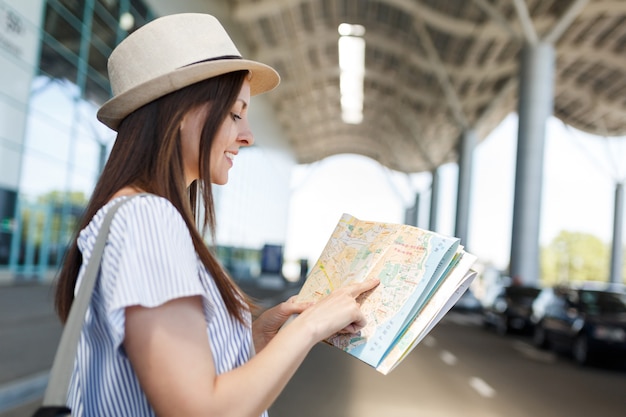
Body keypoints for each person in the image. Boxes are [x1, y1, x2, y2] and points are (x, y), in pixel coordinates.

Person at [54, 13, 379, 417]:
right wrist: (312, 328)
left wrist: (259, 338)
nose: (248, 136)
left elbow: (182, 379)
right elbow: (199, 411)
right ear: (179, 114)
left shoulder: (138, 214)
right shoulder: (148, 219)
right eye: (234, 114)